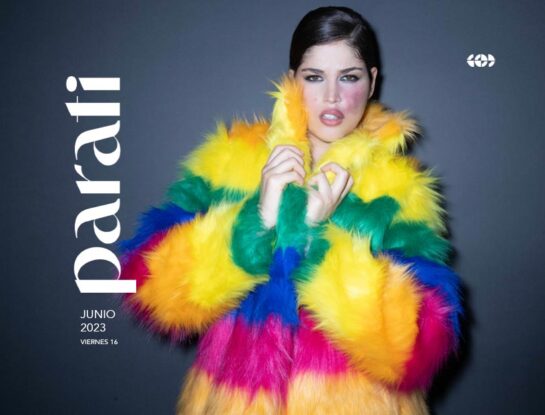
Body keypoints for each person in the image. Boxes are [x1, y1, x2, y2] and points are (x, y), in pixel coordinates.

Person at [118, 6, 463, 414]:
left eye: (349, 77)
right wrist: (258, 221)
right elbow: (150, 288)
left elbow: (421, 346)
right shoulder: (230, 159)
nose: (332, 97)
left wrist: (320, 242)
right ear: (293, 79)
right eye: (314, 77)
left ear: (372, 81)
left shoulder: (400, 191)